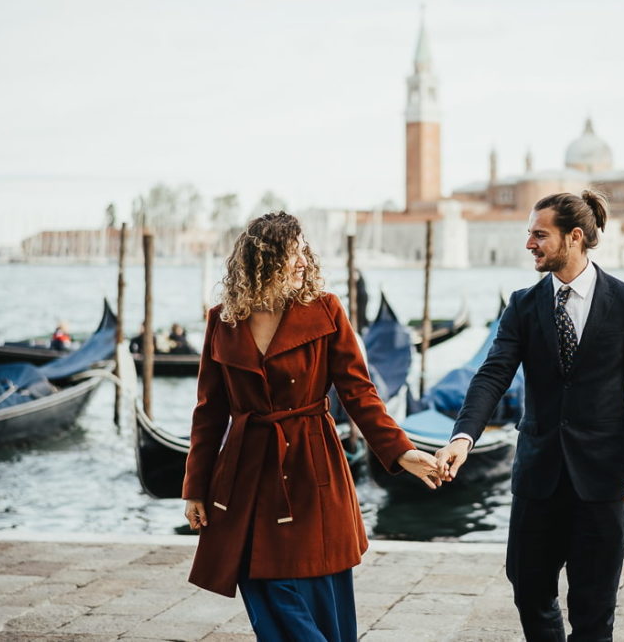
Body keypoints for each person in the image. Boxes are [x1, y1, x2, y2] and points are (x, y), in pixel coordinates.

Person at [182, 211, 439, 640]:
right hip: (245, 475)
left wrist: (401, 451)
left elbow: (359, 393)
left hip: (311, 467)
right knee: (259, 577)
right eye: (292, 252)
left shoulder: (326, 311)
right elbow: (209, 412)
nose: (303, 261)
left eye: (304, 251)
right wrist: (195, 487)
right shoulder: (222, 320)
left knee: (318, 588)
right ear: (262, 259)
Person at [435, 191, 624, 642]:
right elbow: (493, 374)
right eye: (529, 234)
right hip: (537, 477)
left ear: (574, 237)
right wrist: (464, 437)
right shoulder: (523, 304)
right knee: (528, 591)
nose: (529, 243)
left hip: (604, 482)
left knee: (594, 608)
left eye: (539, 234)